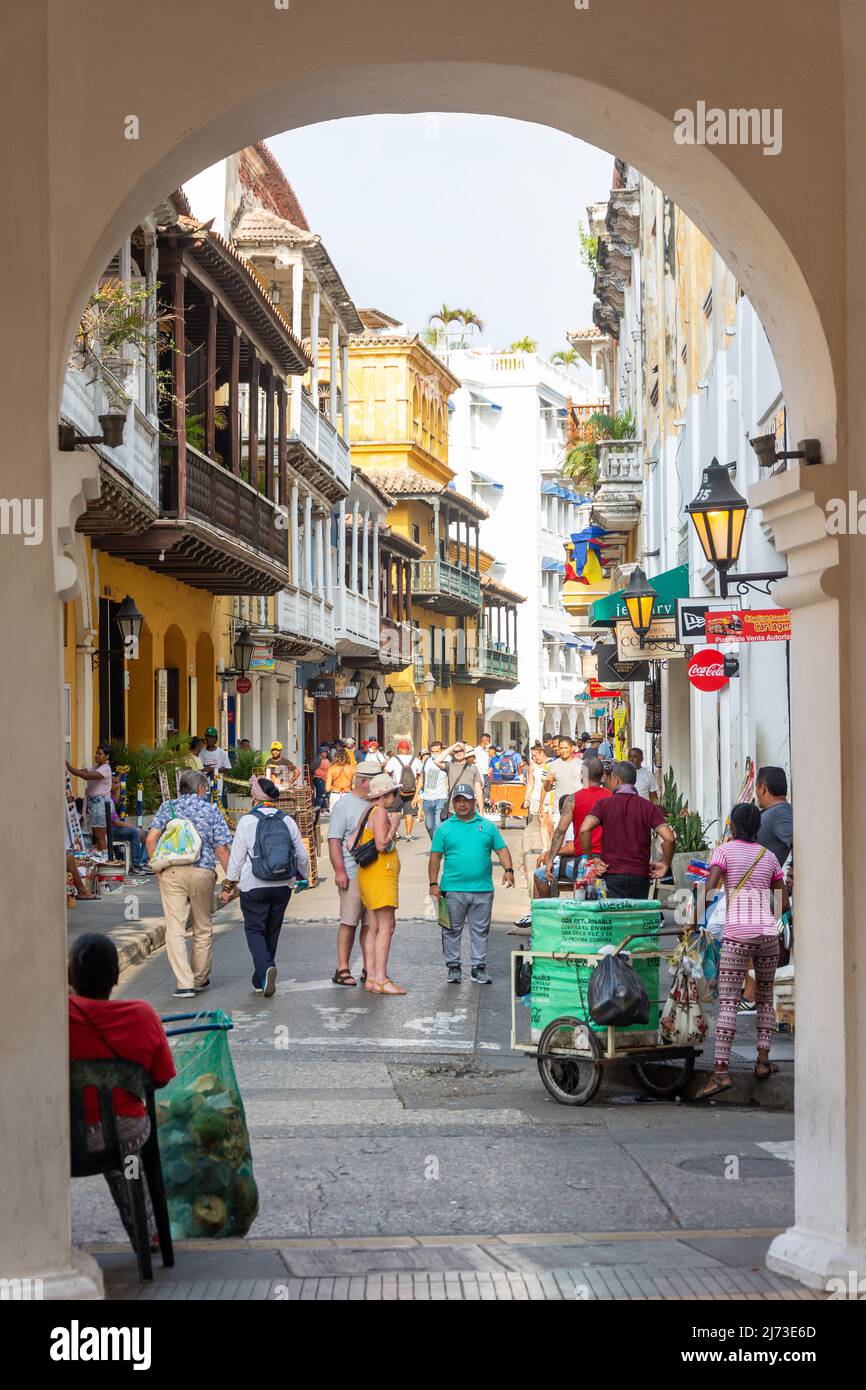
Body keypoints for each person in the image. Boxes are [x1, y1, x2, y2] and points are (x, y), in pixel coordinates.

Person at [68, 933, 175, 1247]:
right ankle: (148, 1232)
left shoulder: (52, 1016)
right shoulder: (142, 1015)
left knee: (106, 1146)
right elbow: (161, 1078)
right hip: (124, 1133)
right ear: (116, 977)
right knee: (125, 1160)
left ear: (71, 977)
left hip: (60, 1136)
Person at [693, 802, 788, 1101]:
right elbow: (782, 903)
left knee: (729, 1002)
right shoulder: (768, 856)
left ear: (733, 825)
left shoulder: (724, 851)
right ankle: (762, 1061)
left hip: (736, 935)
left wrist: (692, 920)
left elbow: (709, 888)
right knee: (764, 998)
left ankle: (721, 1072)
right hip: (768, 936)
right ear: (757, 827)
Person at [219, 776, 310, 996]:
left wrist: (229, 884)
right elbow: (302, 855)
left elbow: (237, 858)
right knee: (272, 928)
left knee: (254, 929)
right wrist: (303, 878)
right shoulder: (286, 819)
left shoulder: (247, 821)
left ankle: (265, 968)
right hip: (283, 884)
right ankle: (261, 976)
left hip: (254, 885)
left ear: (254, 797)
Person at [145, 769, 232, 998]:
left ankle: (185, 983)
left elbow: (151, 838)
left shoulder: (168, 808)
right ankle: (200, 978)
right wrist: (231, 880)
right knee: (202, 926)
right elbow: (222, 849)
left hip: (172, 871)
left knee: (175, 928)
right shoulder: (211, 810)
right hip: (202, 872)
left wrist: (157, 866)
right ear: (201, 789)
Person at [429, 782, 515, 984]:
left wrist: (508, 870)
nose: (461, 805)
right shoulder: (444, 828)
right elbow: (435, 857)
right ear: (453, 804)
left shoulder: (487, 826)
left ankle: (478, 967)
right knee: (451, 930)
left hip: (482, 889)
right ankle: (453, 967)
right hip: (452, 890)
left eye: (465, 800)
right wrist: (433, 883)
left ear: (473, 802)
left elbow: (501, 850)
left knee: (480, 930)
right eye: (457, 801)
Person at [578, 759, 675, 899]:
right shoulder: (648, 807)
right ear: (634, 781)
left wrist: (591, 860)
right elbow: (669, 839)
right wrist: (665, 862)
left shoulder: (604, 804)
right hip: (640, 877)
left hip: (611, 874)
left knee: (614, 918)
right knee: (634, 918)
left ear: (616, 780)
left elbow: (584, 830)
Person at [327, 759, 383, 986]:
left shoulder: (377, 804)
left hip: (375, 874)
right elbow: (334, 841)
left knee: (370, 924)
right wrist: (339, 870)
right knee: (349, 922)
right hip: (352, 872)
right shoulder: (344, 806)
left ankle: (369, 968)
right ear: (363, 782)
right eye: (374, 781)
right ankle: (342, 968)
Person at [355, 772, 404, 994]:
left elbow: (350, 842)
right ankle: (381, 978)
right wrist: (394, 826)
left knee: (374, 926)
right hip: (380, 874)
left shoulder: (367, 811)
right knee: (386, 926)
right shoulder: (381, 812)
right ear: (385, 794)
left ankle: (372, 977)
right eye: (394, 793)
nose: (395, 797)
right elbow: (382, 845)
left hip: (368, 874)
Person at [537, 757, 611, 898]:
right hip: (606, 861)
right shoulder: (611, 798)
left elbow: (560, 831)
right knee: (604, 904)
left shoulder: (572, 799)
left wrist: (550, 860)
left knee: (582, 905)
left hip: (584, 859)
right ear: (602, 775)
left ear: (583, 774)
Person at [66, 746, 113, 854]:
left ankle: (103, 858)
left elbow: (88, 776)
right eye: (96, 753)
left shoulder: (105, 768)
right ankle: (101, 856)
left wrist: (68, 767)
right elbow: (82, 772)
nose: (96, 756)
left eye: (99, 754)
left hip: (100, 803)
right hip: (94, 802)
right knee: (96, 835)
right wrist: (71, 770)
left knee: (100, 836)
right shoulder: (97, 766)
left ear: (107, 756)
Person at [384, 739, 422, 840]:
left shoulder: (394, 759)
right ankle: (408, 834)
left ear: (398, 749)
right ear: (408, 749)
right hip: (411, 790)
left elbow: (386, 771)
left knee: (394, 811)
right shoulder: (416, 760)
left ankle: (396, 832)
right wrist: (416, 795)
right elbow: (420, 778)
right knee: (409, 812)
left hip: (396, 789)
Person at [756, 766, 793, 866]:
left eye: (756, 788)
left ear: (762, 788)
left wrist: (793, 869)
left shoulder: (782, 812)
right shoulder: (776, 811)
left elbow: (799, 842)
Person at [108, 774, 147, 871]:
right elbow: (117, 822)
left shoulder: (111, 798)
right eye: (115, 783)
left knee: (147, 834)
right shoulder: (106, 799)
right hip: (111, 832)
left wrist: (118, 785)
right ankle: (135, 865)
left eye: (118, 783)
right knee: (136, 832)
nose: (118, 786)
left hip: (116, 829)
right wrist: (135, 827)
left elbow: (117, 800)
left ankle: (142, 862)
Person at [437, 742, 485, 816]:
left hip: (470, 808)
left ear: (465, 752)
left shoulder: (473, 767)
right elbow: (437, 761)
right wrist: (453, 746)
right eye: (456, 751)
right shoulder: (449, 765)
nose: (458, 753)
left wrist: (481, 812)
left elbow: (478, 790)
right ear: (453, 753)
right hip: (453, 809)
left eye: (461, 751)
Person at [523, 743, 555, 852]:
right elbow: (531, 783)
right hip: (537, 797)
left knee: (550, 822)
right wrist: (527, 798)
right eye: (532, 756)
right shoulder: (533, 766)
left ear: (542, 753)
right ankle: (545, 848)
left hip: (550, 797)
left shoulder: (551, 763)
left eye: (535, 755)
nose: (533, 758)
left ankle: (554, 847)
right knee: (542, 822)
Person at [542, 735, 584, 812]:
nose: (563, 750)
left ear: (572, 748)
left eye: (566, 748)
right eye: (561, 748)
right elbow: (547, 789)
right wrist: (548, 781)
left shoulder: (582, 764)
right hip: (559, 809)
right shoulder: (553, 765)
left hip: (578, 808)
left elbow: (587, 788)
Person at [419, 741, 450, 839]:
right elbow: (421, 778)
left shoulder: (447, 760)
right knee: (429, 826)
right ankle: (437, 845)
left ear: (442, 751)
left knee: (438, 825)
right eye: (433, 752)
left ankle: (438, 849)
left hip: (441, 798)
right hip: (427, 799)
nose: (435, 754)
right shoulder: (426, 761)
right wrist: (416, 795)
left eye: (437, 751)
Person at [325, 745, 355, 810]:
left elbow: (327, 788)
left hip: (335, 795)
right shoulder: (352, 769)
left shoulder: (331, 769)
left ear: (335, 757)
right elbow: (354, 787)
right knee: (347, 818)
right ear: (347, 757)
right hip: (347, 795)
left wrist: (335, 786)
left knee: (335, 818)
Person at [473, 732, 493, 805]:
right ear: (485, 740)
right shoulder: (476, 751)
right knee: (478, 793)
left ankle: (485, 808)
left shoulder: (487, 751)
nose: (490, 743)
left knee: (486, 794)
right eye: (489, 741)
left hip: (486, 774)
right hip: (479, 774)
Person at [311, 744, 331, 812]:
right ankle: (317, 810)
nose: (325, 753)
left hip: (325, 779)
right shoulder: (317, 760)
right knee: (320, 794)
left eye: (326, 752)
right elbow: (311, 769)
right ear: (320, 752)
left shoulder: (326, 760)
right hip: (319, 779)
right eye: (323, 752)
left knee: (325, 795)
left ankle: (323, 809)